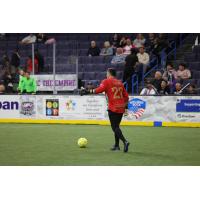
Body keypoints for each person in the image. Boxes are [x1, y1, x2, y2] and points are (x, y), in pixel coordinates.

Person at [81, 68, 130, 152]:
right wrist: (125, 108)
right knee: (117, 127)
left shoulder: (106, 81)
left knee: (114, 127)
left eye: (107, 73)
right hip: (121, 107)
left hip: (113, 107)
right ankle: (117, 146)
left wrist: (87, 91)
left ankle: (125, 141)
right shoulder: (120, 83)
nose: (106, 75)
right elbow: (126, 97)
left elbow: (99, 90)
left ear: (109, 73)